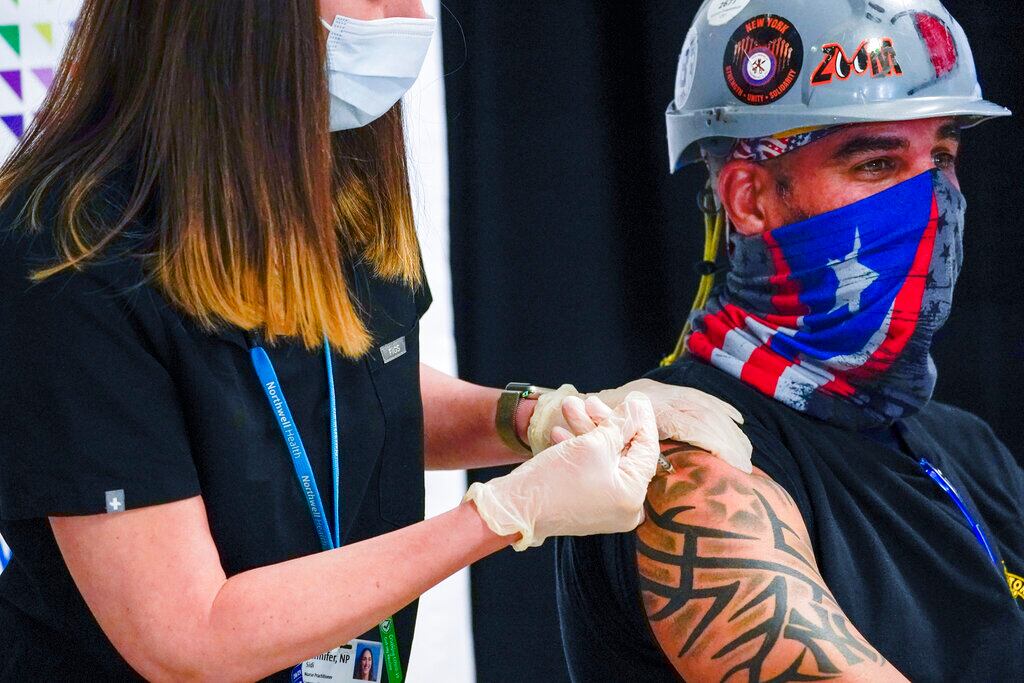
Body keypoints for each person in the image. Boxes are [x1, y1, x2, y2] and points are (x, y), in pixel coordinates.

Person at [0, 1, 752, 681]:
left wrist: (533, 418)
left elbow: (368, 386)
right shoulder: (66, 253)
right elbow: (189, 637)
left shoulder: (336, 183)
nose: (403, 16)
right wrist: (498, 517)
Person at [550, 1, 1024, 681]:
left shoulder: (967, 448)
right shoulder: (676, 460)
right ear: (749, 198)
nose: (933, 203)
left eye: (942, 156)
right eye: (878, 165)